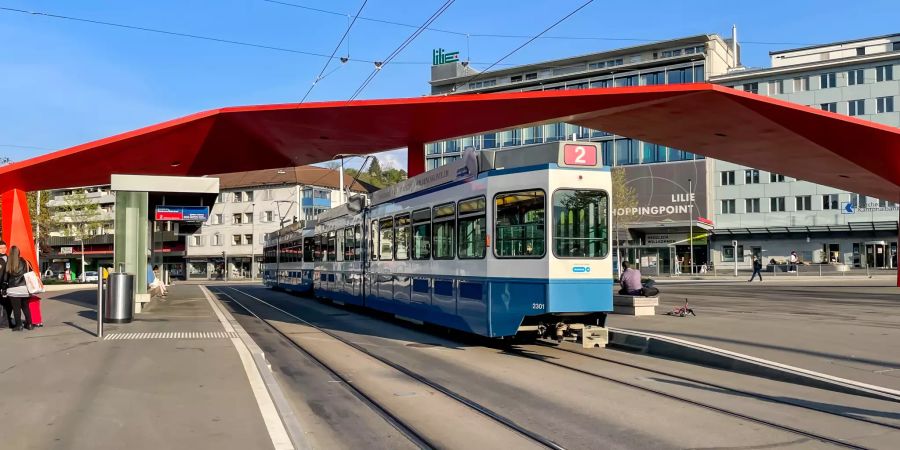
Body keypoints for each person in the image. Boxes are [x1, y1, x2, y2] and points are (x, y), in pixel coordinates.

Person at [5, 246, 34, 331]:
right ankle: (29, 324)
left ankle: (19, 325)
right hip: (25, 288)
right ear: (19, 252)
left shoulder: (9, 263)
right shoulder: (26, 261)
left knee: (16, 308)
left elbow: (5, 278)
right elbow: (31, 273)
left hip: (13, 289)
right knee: (26, 307)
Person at [0, 240, 13, 329]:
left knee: (8, 305)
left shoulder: (9, 259)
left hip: (9, 286)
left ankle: (6, 322)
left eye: (4, 247)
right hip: (0, 285)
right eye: (1, 248)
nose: (3, 249)